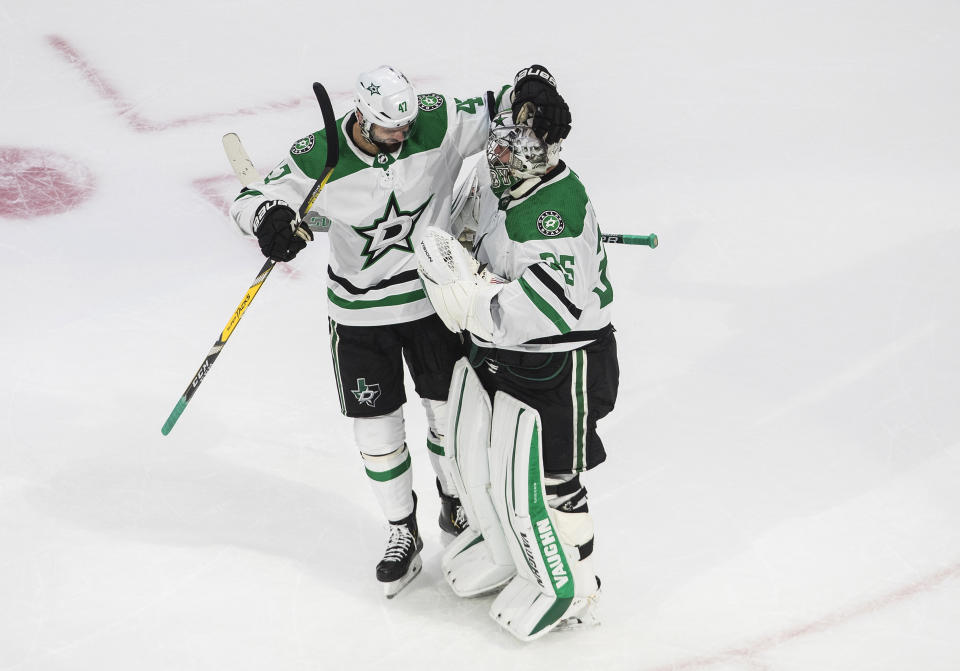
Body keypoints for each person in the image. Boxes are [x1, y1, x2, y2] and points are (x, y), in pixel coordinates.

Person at [228, 64, 572, 598]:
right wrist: (270, 219)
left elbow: (503, 110)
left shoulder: (432, 120)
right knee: (377, 432)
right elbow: (251, 197)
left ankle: (456, 504)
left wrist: (531, 92)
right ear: (362, 118)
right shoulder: (318, 153)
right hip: (360, 316)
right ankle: (400, 532)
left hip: (431, 303)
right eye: (390, 130)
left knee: (448, 415)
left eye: (406, 126)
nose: (402, 137)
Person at [416, 78, 618, 640]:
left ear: (541, 154)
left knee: (552, 478)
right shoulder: (498, 171)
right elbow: (460, 234)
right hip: (501, 355)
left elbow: (533, 314)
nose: (496, 156)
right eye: (498, 144)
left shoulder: (554, 213)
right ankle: (512, 556)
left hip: (563, 362)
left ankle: (576, 585)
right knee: (493, 461)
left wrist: (472, 293)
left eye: (510, 151)